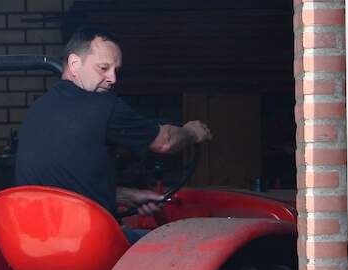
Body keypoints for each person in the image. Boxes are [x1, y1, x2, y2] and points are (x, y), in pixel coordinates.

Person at [15, 27, 213, 231]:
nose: (113, 79)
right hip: (84, 242)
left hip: (34, 242)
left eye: (115, 70)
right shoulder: (103, 107)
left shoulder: (38, 109)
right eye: (103, 68)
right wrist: (192, 132)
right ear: (74, 64)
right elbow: (166, 142)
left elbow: (67, 186)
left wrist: (130, 196)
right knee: (172, 244)